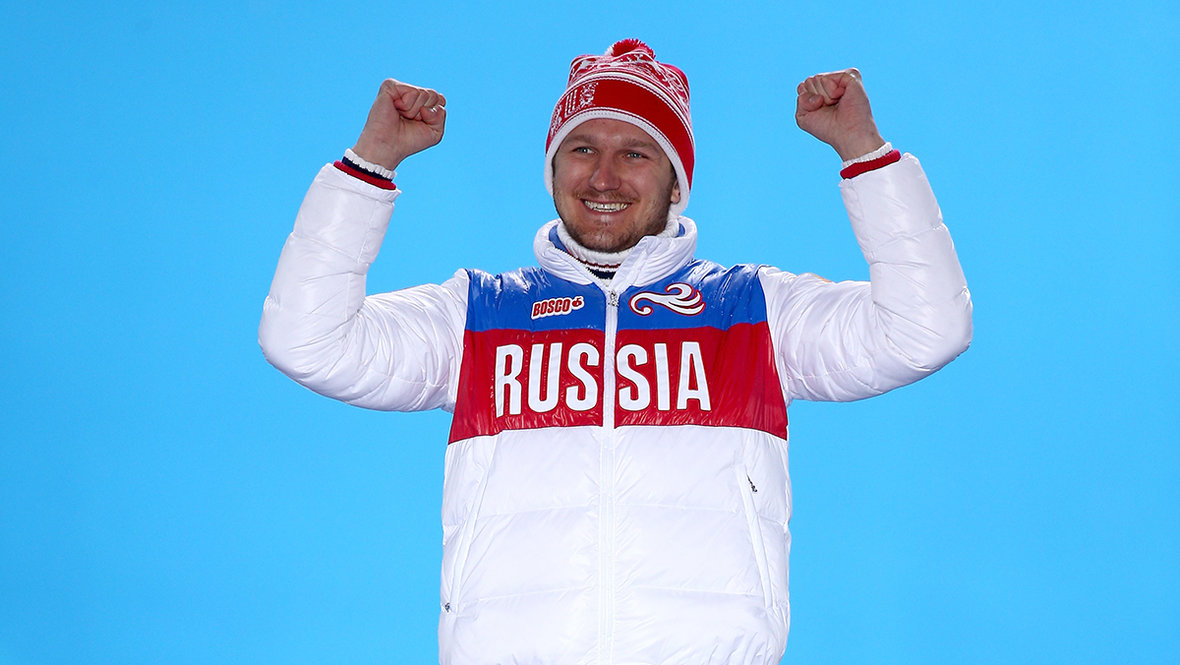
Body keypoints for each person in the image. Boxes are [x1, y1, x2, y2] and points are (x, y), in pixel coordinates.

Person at [259, 39, 971, 665]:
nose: (603, 178)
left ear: (676, 181)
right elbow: (307, 340)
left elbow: (925, 328)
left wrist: (866, 154)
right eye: (582, 149)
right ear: (552, 170)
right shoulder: (477, 316)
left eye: (635, 152)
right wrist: (369, 163)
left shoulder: (753, 311)